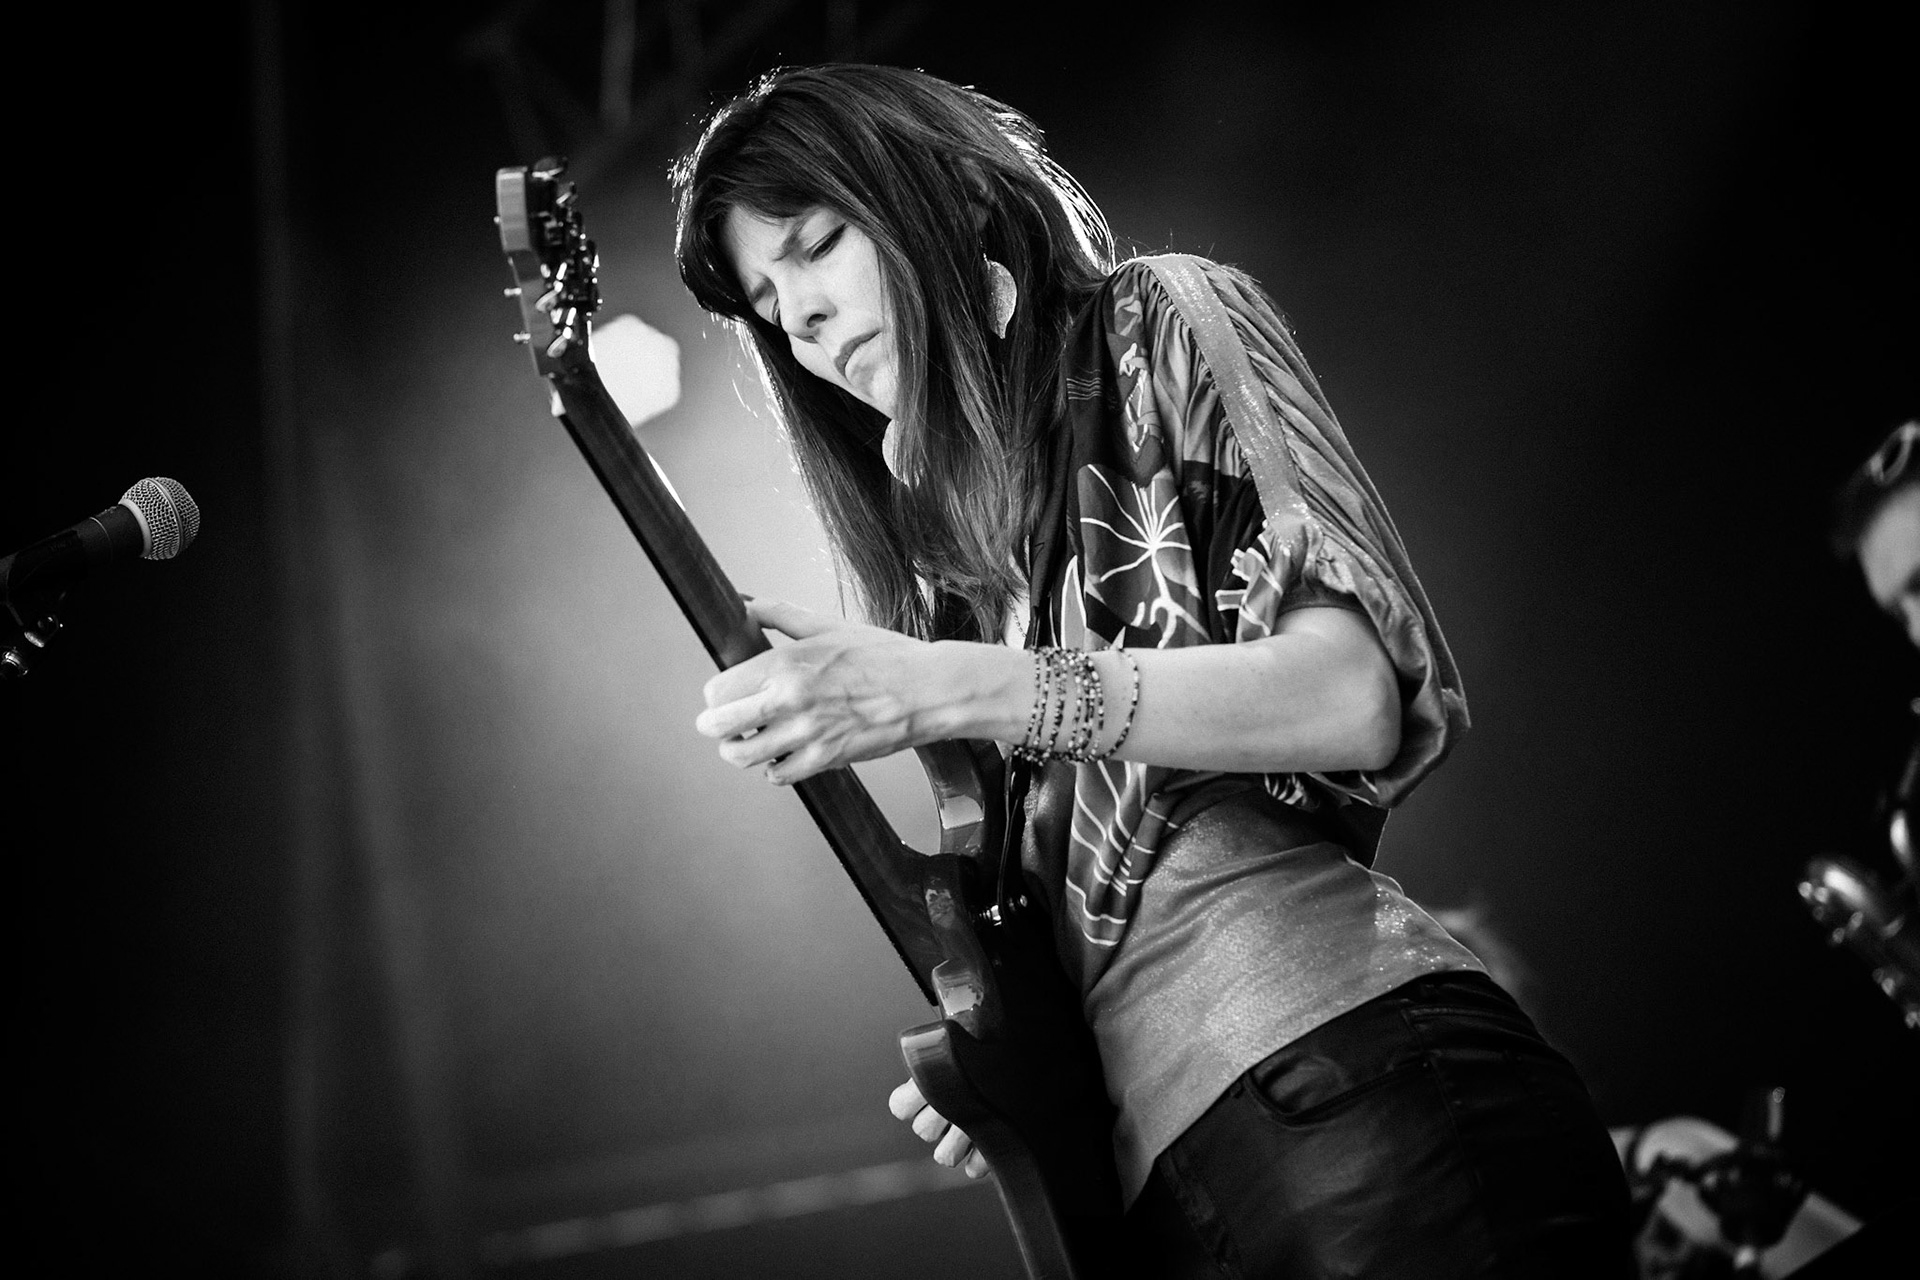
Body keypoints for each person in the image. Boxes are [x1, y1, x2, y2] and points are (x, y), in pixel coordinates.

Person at [671, 63, 1630, 1278]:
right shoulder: (959, 582)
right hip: (1176, 1203)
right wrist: (1005, 1061)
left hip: (1356, 1094)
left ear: (956, 199)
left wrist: (951, 684)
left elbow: (1351, 692)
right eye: (767, 301)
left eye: (817, 243)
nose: (798, 317)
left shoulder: (1155, 322)